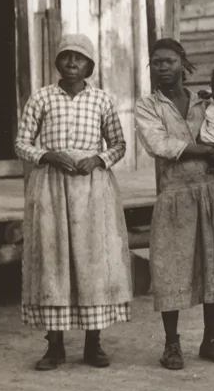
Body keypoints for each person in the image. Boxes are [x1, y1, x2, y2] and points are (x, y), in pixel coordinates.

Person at [14, 33, 133, 370]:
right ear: (57, 62)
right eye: (65, 56)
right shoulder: (41, 98)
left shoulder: (102, 101)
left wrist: (98, 159)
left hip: (92, 189)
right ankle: (54, 346)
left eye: (79, 58)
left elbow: (119, 144)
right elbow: (22, 143)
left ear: (89, 66)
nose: (71, 63)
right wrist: (47, 155)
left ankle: (93, 344)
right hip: (50, 188)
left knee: (92, 259)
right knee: (53, 259)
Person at [135, 38, 214, 370]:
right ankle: (172, 344)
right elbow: (160, 144)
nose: (162, 67)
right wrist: (209, 151)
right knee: (170, 267)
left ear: (183, 64)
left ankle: (210, 339)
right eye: (156, 61)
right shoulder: (148, 106)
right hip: (175, 193)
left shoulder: (206, 101)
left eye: (169, 61)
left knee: (212, 264)